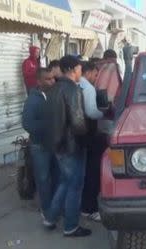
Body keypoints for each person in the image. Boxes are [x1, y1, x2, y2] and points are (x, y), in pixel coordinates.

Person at [42, 55, 90, 237]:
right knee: (75, 185)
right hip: (71, 146)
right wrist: (86, 139)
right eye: (79, 69)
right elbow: (78, 123)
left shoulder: (53, 89)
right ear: (73, 69)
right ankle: (71, 226)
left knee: (65, 182)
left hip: (58, 145)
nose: (81, 72)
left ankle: (50, 218)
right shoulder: (72, 90)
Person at [22, 68, 57, 218]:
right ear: (39, 81)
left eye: (52, 78)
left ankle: (55, 207)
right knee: (43, 179)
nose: (52, 81)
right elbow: (28, 124)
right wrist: (50, 124)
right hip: (40, 146)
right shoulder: (32, 100)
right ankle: (46, 210)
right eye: (48, 79)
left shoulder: (54, 95)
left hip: (55, 144)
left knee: (56, 176)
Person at [78, 62, 105, 222]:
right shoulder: (87, 88)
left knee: (83, 174)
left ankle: (84, 206)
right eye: (95, 74)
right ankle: (90, 208)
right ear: (88, 72)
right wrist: (104, 111)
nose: (96, 78)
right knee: (92, 173)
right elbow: (92, 112)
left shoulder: (75, 85)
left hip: (79, 136)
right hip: (89, 136)